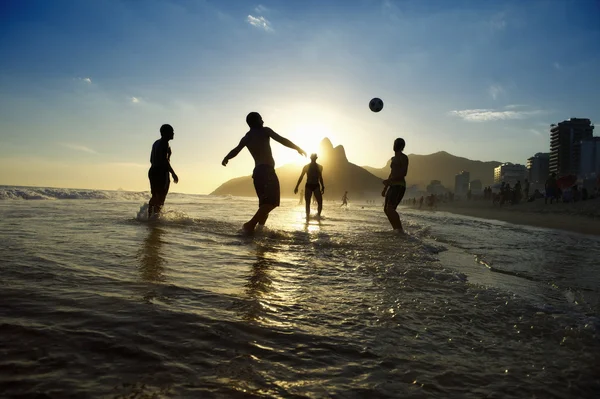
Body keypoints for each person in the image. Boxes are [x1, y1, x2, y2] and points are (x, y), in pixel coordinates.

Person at [222, 112, 306, 233]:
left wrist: (226, 158)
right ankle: (250, 225)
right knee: (272, 202)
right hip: (267, 171)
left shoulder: (247, 137)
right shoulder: (265, 130)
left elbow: (236, 150)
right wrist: (297, 147)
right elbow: (281, 139)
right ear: (255, 121)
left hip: (257, 173)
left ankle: (259, 231)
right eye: (261, 119)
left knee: (264, 205)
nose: (263, 121)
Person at [148, 124, 179, 218]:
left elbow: (151, 159)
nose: (173, 133)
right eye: (171, 131)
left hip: (153, 171)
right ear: (165, 133)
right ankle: (156, 219)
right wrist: (173, 173)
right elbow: (165, 160)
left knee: (154, 196)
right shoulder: (165, 143)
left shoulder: (156, 143)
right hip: (161, 173)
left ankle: (149, 218)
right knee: (161, 198)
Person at [381, 138, 409, 233]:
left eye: (397, 144)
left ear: (401, 146)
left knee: (390, 208)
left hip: (399, 185)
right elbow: (392, 173)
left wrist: (390, 180)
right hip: (392, 185)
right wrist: (385, 188)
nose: (395, 145)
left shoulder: (403, 157)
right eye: (395, 143)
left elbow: (403, 173)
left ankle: (400, 231)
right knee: (386, 209)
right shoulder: (393, 159)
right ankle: (395, 230)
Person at [294, 153, 325, 220]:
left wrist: (323, 186)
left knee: (320, 202)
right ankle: (307, 217)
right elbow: (301, 177)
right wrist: (297, 186)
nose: (313, 159)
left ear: (316, 158)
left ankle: (318, 216)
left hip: (316, 185)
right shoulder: (306, 167)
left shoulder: (320, 167)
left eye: (314, 157)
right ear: (310, 158)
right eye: (312, 157)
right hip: (308, 185)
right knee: (307, 202)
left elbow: (320, 177)